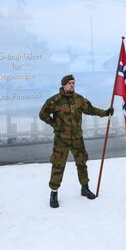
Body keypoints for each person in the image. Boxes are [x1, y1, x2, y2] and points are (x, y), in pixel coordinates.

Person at [39, 74, 113, 208]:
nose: (72, 85)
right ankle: (54, 192)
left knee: (82, 163)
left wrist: (105, 112)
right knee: (58, 165)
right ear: (63, 85)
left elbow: (90, 109)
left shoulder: (79, 99)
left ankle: (84, 187)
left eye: (73, 83)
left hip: (77, 138)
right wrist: (54, 124)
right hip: (61, 139)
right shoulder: (54, 100)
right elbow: (42, 114)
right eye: (69, 83)